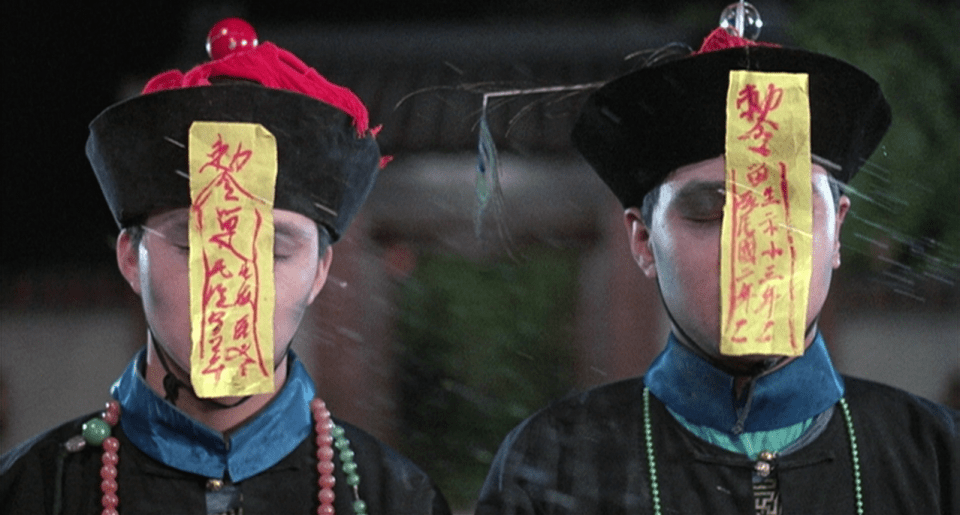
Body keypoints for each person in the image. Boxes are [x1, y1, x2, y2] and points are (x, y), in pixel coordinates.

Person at [475, 25, 959, 515]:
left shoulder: (939, 460)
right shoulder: (552, 464)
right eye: (710, 211)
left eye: (786, 206)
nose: (755, 248)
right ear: (643, 240)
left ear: (836, 231)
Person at [1, 19, 450, 515]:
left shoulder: (396, 498)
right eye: (191, 244)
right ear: (130, 258)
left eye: (275, 251)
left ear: (320, 271)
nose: (232, 285)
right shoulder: (31, 491)